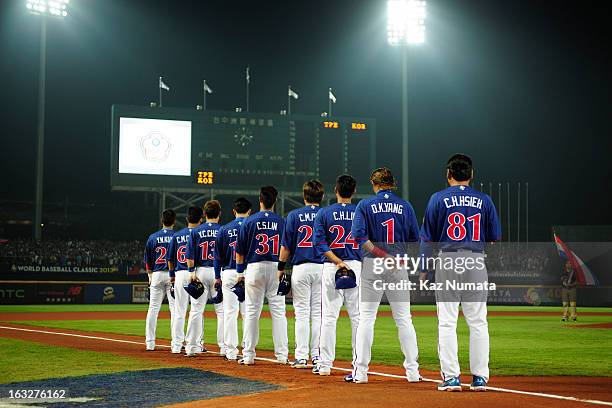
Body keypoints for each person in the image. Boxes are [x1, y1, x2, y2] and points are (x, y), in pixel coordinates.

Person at [420, 154, 501, 392]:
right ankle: (479, 378)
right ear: (472, 175)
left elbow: (427, 237)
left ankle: (452, 377)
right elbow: (494, 237)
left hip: (448, 259)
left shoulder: (437, 198)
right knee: (478, 322)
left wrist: (424, 267)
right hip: (476, 259)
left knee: (447, 322)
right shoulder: (484, 199)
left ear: (448, 175)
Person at [349, 167, 421, 384]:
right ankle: (413, 372)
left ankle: (360, 373)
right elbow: (414, 240)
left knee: (366, 319)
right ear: (392, 184)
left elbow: (359, 238)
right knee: (404, 320)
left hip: (372, 264)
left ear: (375, 184)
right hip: (398, 265)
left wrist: (382, 255)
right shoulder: (405, 206)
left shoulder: (365, 205)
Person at [312, 174, 361, 376]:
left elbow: (320, 244)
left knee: (329, 318)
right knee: (358, 318)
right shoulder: (361, 212)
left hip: (332, 267)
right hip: (356, 266)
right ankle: (359, 365)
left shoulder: (325, 213)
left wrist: (337, 261)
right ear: (354, 191)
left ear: (336, 190)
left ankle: (324, 365)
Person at [235, 186, 288, 365]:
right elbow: (287, 248)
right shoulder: (281, 221)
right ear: (275, 201)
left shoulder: (249, 221)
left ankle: (249, 355)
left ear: (260, 200)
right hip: (275, 266)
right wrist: (283, 268)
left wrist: (240, 273)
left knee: (251, 312)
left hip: (254, 267)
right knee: (279, 312)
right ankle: (282, 356)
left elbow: (240, 251)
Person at [278, 180, 325, 369]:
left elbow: (286, 246)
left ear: (304, 196)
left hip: (301, 268)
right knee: (319, 314)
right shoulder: (326, 214)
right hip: (323, 267)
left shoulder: (294, 215)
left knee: (302, 314)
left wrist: (280, 267)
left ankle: (301, 357)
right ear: (321, 197)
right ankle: (318, 355)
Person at [214, 197, 251, 361]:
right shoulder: (252, 227)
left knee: (230, 313)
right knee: (247, 313)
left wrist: (217, 277)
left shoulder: (224, 229)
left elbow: (217, 257)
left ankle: (230, 351)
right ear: (249, 211)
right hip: (249, 272)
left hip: (229, 273)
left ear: (234, 211)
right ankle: (248, 350)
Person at [185, 200, 224, 356]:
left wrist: (191, 272)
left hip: (200, 271)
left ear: (204, 214)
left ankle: (191, 347)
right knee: (221, 312)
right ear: (219, 214)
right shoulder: (223, 230)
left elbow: (190, 255)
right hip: (218, 272)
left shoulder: (195, 231)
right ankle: (224, 348)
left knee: (196, 310)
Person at [168, 206, 203, 355]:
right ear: (200, 219)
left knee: (179, 312)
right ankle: (196, 344)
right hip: (196, 273)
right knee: (197, 310)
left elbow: (170, 259)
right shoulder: (200, 234)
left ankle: (176, 346)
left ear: (187, 219)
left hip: (180, 273)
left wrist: (172, 276)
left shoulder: (177, 235)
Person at [143, 209, 177, 351]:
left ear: (162, 221)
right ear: (174, 222)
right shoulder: (177, 236)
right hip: (172, 275)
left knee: (153, 309)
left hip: (156, 274)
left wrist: (150, 276)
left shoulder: (153, 237)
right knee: (175, 310)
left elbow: (147, 261)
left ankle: (150, 343)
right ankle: (176, 343)